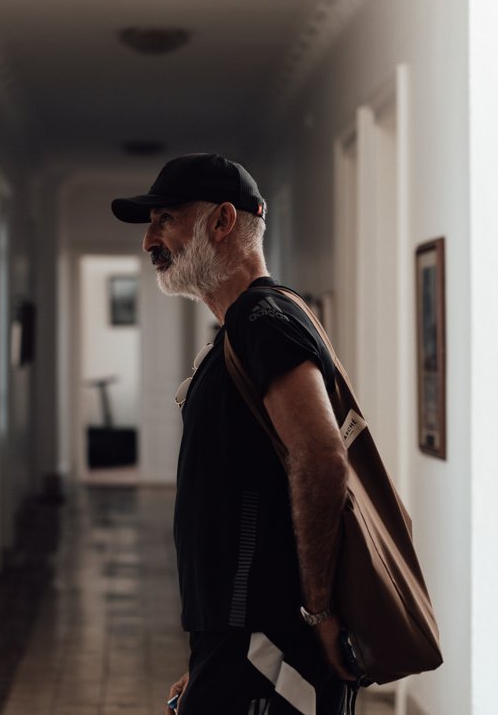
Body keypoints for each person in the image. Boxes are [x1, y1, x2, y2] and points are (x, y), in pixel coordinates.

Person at [111, 153, 357, 715]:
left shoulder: (263, 322)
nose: (149, 239)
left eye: (165, 219)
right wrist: (209, 655)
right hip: (242, 641)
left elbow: (321, 459)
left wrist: (315, 613)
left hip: (270, 644)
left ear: (223, 222)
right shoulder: (243, 327)